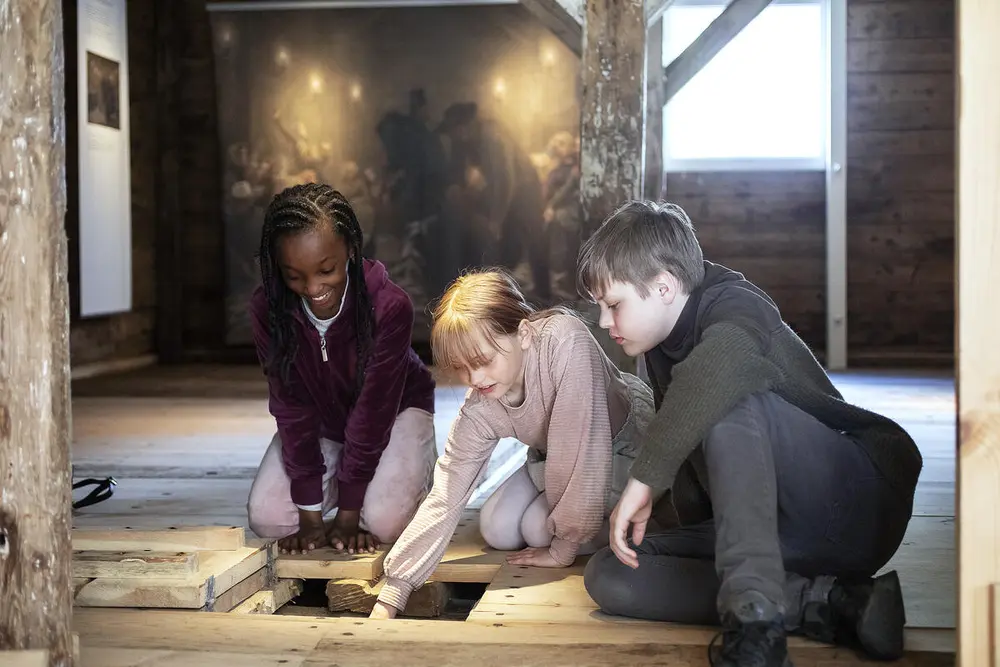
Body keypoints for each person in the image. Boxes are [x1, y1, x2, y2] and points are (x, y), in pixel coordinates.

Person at [576, 201, 921, 666]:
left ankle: (756, 628)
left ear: (664, 286)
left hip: (852, 505)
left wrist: (645, 476)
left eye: (613, 305)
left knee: (729, 396)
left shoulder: (738, 304)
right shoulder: (657, 344)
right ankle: (831, 603)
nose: (604, 322)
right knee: (613, 571)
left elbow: (716, 374)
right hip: (770, 532)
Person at [367, 269, 659, 619]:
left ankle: (636, 517)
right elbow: (447, 492)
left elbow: (579, 454)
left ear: (522, 333)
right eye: (461, 368)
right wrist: (395, 590)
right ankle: (576, 518)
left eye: (483, 361)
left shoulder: (565, 343)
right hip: (551, 456)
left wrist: (563, 547)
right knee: (498, 528)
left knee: (538, 529)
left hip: (618, 447)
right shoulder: (483, 400)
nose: (474, 379)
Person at [246, 183, 438, 556]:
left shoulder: (389, 306)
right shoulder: (267, 309)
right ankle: (343, 487)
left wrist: (349, 514)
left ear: (350, 249)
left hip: (397, 411)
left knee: (383, 521)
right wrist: (310, 515)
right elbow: (291, 408)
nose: (312, 287)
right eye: (294, 275)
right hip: (326, 423)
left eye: (326, 269)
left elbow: (373, 413)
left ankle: (415, 469)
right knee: (268, 518)